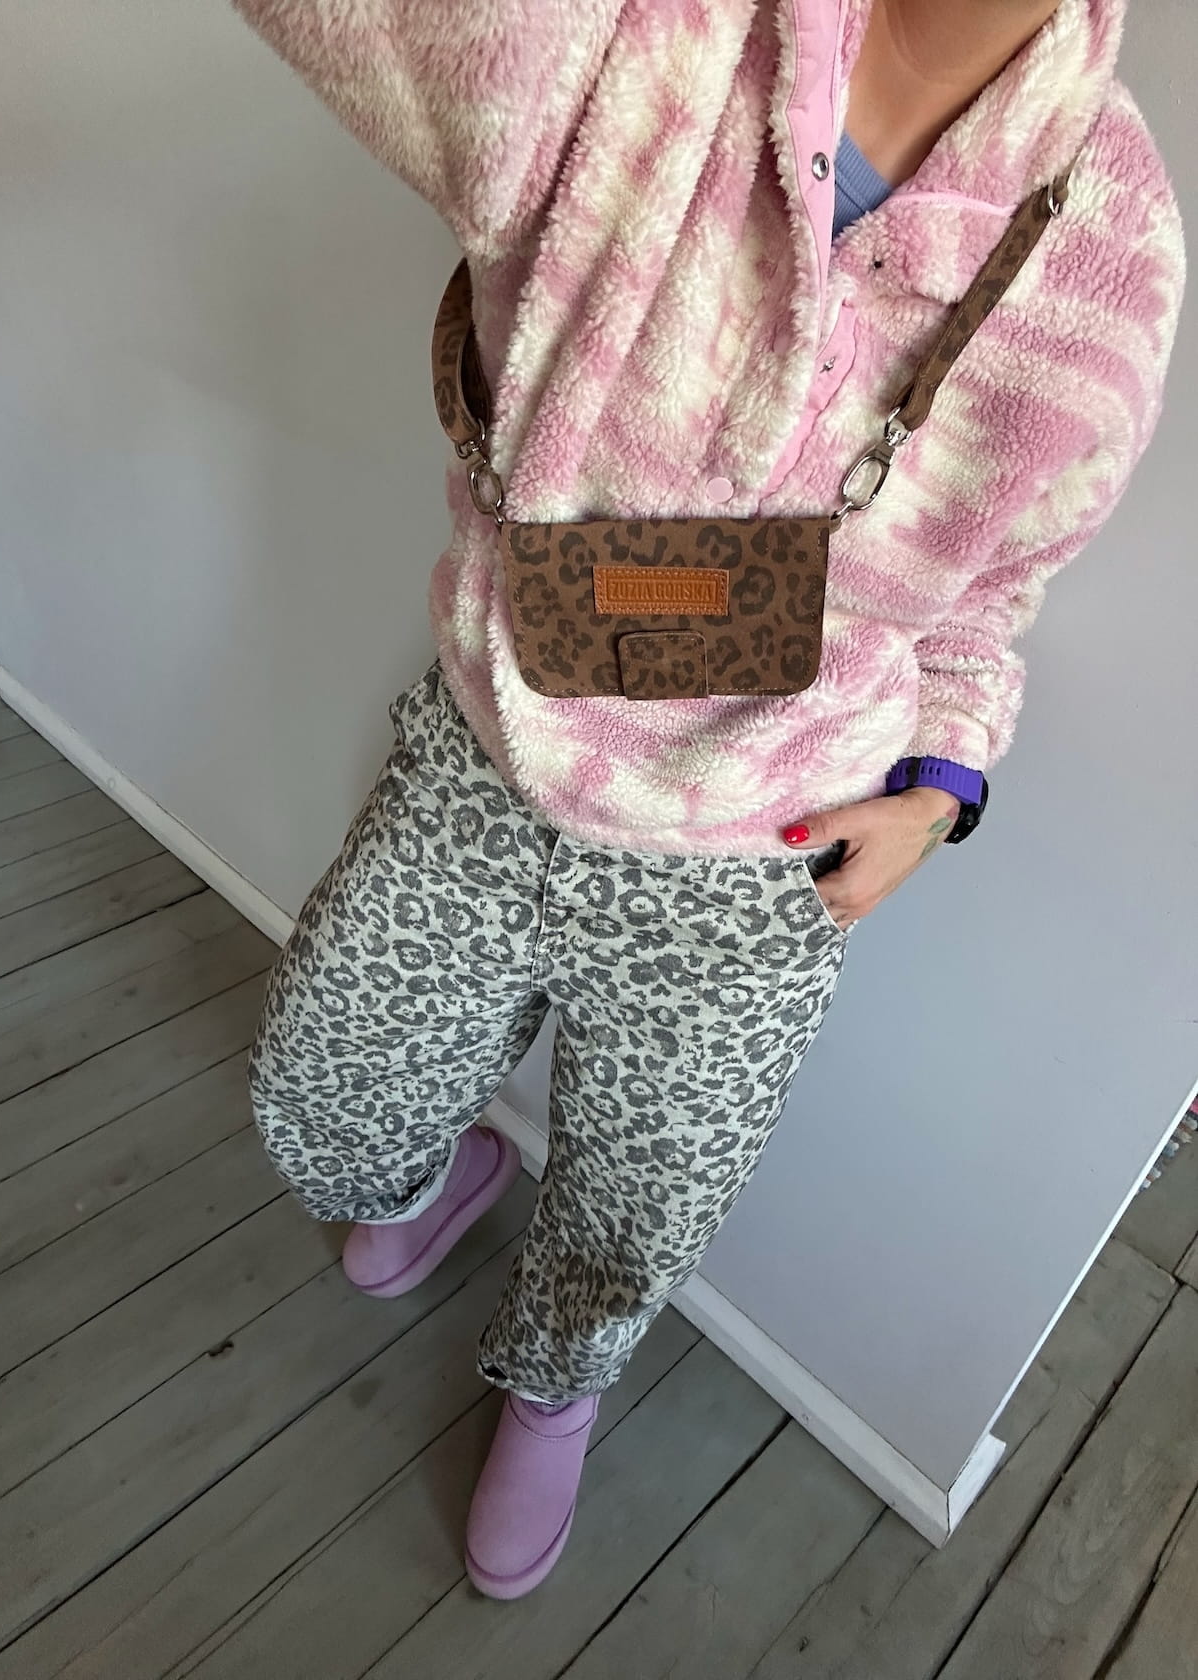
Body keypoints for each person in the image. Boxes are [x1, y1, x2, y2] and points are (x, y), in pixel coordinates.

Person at [230, 0, 1182, 1598]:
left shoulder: (1114, 243)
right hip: (492, 749)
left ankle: (556, 1384)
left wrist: (946, 782)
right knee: (328, 1096)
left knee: (640, 1205)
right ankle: (437, 1177)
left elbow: (992, 593)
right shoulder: (649, 32)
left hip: (764, 853)